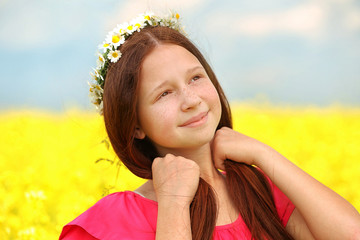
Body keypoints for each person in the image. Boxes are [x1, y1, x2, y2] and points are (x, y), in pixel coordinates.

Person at [59, 11, 360, 240]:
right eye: (164, 93)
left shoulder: (259, 191)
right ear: (135, 125)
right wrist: (174, 203)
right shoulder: (110, 223)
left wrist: (263, 154)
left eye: (196, 78)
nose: (190, 100)